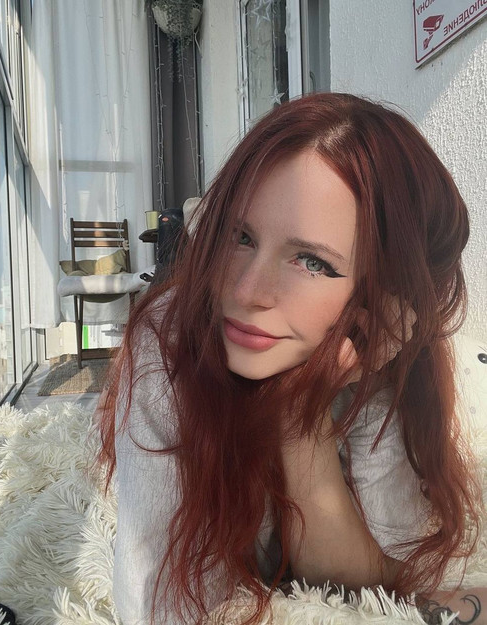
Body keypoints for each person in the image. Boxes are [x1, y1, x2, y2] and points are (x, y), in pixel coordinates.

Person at [98, 93, 484, 625]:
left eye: (312, 261)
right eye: (240, 236)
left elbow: (383, 574)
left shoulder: (368, 353)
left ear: (386, 297)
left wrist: (302, 419)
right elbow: (159, 606)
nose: (247, 291)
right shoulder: (168, 345)